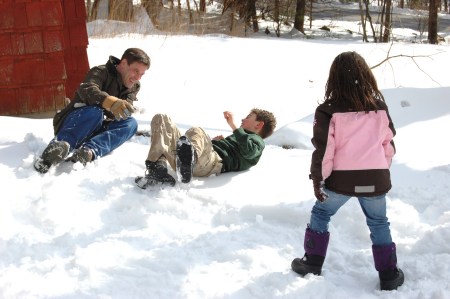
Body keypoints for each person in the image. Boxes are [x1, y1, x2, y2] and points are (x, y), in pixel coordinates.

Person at [291, 51, 404, 291]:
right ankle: (389, 274)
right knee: (379, 222)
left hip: (340, 180)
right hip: (375, 177)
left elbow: (324, 150)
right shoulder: (379, 107)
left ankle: (312, 262)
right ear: (366, 76)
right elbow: (388, 144)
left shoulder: (328, 110)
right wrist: (379, 169)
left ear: (335, 78)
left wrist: (318, 180)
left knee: (321, 214)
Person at [34, 48, 151, 173]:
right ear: (123, 63)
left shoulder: (134, 86)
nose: (138, 78)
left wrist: (124, 110)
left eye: (141, 74)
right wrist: (110, 102)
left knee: (131, 124)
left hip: (97, 128)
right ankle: (58, 148)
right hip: (75, 123)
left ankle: (88, 152)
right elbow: (87, 89)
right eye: (135, 71)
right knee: (95, 112)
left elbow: (122, 112)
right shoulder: (100, 71)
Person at [135, 108, 277, 188]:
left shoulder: (257, 142)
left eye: (248, 117)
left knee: (197, 131)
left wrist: (233, 127)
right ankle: (157, 169)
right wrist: (215, 143)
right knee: (161, 118)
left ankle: (188, 160)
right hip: (199, 160)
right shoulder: (241, 138)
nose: (243, 119)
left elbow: (249, 150)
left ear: (259, 125)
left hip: (211, 163)